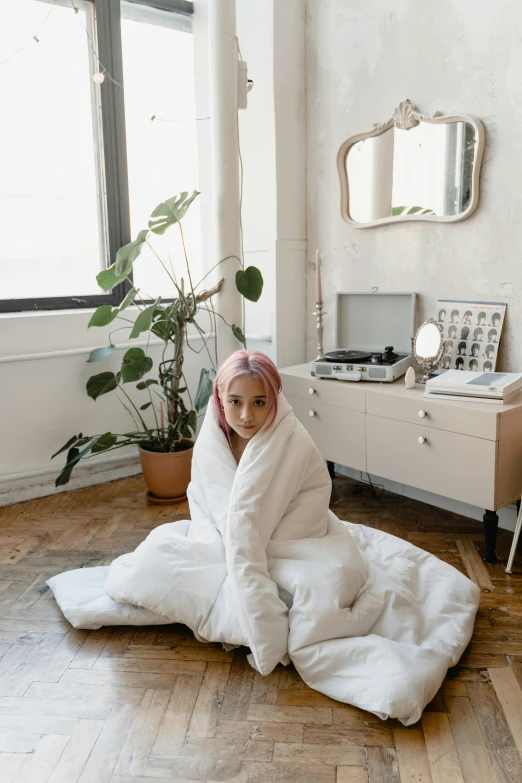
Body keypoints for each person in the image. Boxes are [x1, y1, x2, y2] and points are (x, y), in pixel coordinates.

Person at [213, 349, 280, 464]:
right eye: (235, 402)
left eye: (258, 403)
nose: (246, 416)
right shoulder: (209, 448)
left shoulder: (294, 448)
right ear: (220, 399)